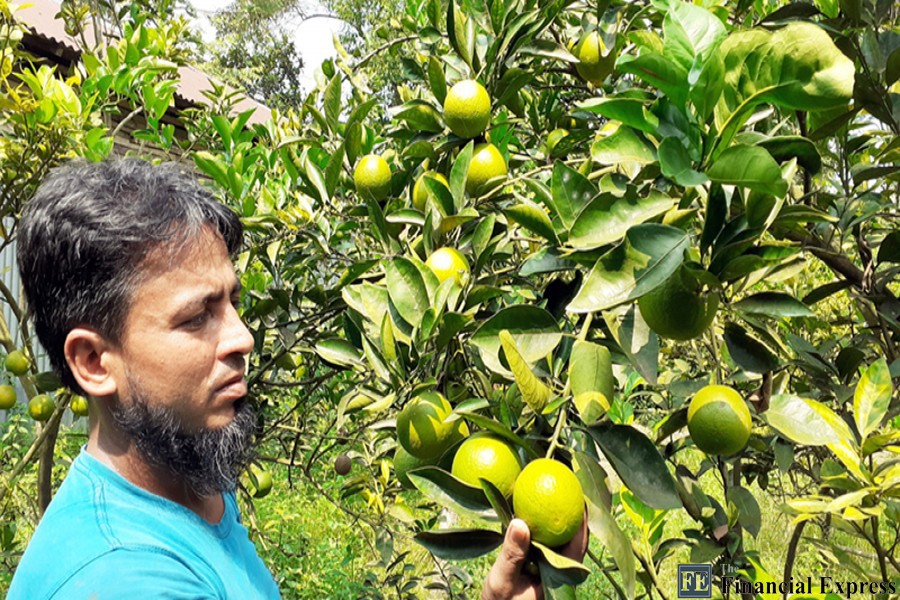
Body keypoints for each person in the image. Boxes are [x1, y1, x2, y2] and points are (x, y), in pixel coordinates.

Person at [8, 158, 585, 600]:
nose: (242, 338)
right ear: (92, 362)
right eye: (196, 316)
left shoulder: (187, 479)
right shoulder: (122, 578)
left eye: (233, 302)